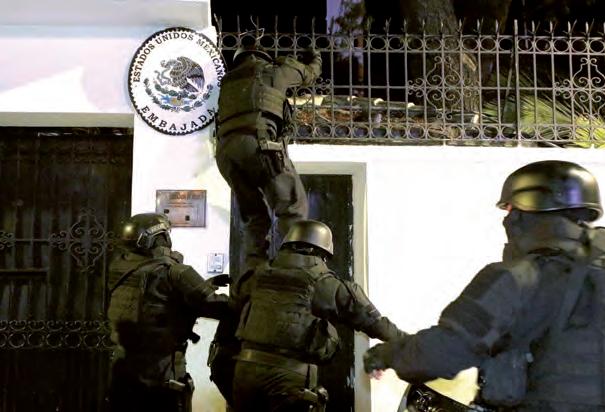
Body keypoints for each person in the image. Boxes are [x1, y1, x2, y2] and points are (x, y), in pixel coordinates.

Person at [364, 160, 605, 411]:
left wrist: (387, 353)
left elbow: (441, 354)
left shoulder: (520, 277)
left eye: (510, 209)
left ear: (521, 215)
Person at [230, 219, 407, 412]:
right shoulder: (324, 282)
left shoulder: (258, 274)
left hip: (245, 371)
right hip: (289, 377)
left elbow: (232, 306)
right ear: (322, 251)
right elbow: (373, 322)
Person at [215, 32, 322, 269]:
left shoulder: (227, 83)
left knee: (254, 217)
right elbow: (310, 74)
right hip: (259, 146)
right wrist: (314, 55)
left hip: (226, 154)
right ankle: (295, 269)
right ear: (262, 57)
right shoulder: (273, 71)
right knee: (293, 208)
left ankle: (253, 271)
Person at [107, 213, 228, 412]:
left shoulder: (119, 268)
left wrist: (206, 285)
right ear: (159, 237)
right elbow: (216, 306)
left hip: (124, 371)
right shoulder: (175, 272)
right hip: (161, 373)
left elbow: (155, 299)